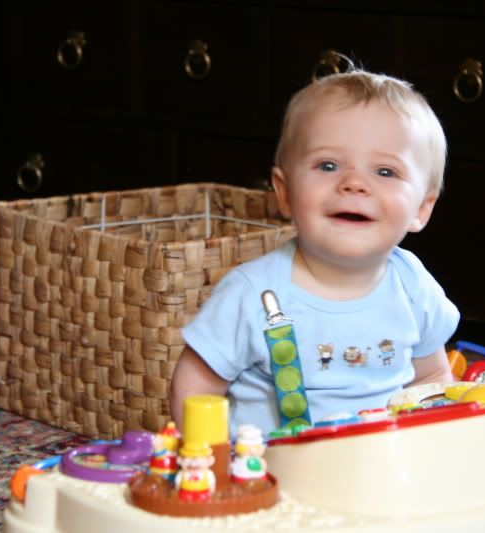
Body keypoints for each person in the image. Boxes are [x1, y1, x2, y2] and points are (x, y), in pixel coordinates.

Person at [169, 69, 459, 436]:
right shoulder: (253, 294)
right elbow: (194, 388)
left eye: (386, 171)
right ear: (285, 193)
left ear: (421, 209)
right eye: (328, 165)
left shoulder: (413, 286)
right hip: (275, 465)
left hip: (382, 460)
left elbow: (431, 377)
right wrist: (213, 458)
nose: (354, 183)